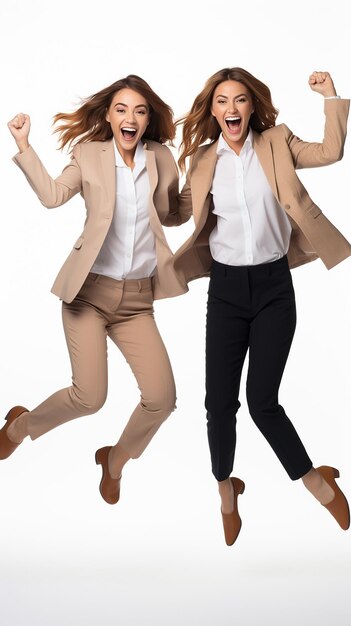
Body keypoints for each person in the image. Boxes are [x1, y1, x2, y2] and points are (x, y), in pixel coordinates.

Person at [174, 68, 351, 545]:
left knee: (261, 402)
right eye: (221, 101)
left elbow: (331, 152)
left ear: (252, 106)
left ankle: (316, 481)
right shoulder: (203, 161)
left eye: (240, 100)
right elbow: (175, 211)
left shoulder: (277, 142)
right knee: (218, 403)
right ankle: (226, 491)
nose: (231, 108)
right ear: (212, 111)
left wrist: (331, 96)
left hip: (274, 288)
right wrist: (144, 161)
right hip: (226, 291)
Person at [1, 74, 190, 505]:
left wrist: (204, 180)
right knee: (90, 398)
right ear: (108, 116)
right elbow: (52, 196)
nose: (131, 117)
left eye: (140, 111)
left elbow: (174, 214)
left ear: (147, 120)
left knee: (162, 399)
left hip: (138, 301)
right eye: (122, 109)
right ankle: (19, 427)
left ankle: (115, 461)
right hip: (88, 296)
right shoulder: (87, 154)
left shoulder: (160, 158)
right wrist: (24, 146)